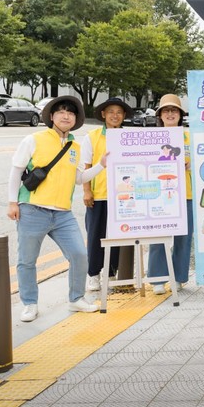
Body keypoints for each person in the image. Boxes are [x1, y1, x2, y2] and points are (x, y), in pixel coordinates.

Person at [7, 96, 106, 322]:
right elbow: (16, 170)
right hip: (32, 209)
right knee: (27, 260)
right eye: (61, 112)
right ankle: (30, 303)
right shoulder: (34, 139)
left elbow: (79, 178)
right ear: (51, 116)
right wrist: (13, 202)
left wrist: (101, 165)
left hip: (62, 213)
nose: (66, 116)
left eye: (70, 113)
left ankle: (76, 298)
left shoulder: (75, 147)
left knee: (79, 254)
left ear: (75, 119)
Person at [81, 97, 133, 292]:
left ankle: (111, 272)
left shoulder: (129, 137)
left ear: (124, 115)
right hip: (99, 195)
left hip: (123, 196)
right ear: (103, 114)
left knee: (119, 234)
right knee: (96, 235)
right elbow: (85, 166)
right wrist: (87, 191)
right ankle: (93, 274)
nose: (115, 116)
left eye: (119, 112)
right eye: (111, 112)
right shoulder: (92, 136)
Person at [147, 94, 192, 295]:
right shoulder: (151, 138)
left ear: (181, 115)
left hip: (186, 193)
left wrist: (190, 164)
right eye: (166, 110)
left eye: (174, 110)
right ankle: (158, 279)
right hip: (160, 194)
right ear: (160, 115)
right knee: (158, 235)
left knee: (184, 237)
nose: (170, 114)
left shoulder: (190, 136)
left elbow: (201, 160)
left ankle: (179, 277)